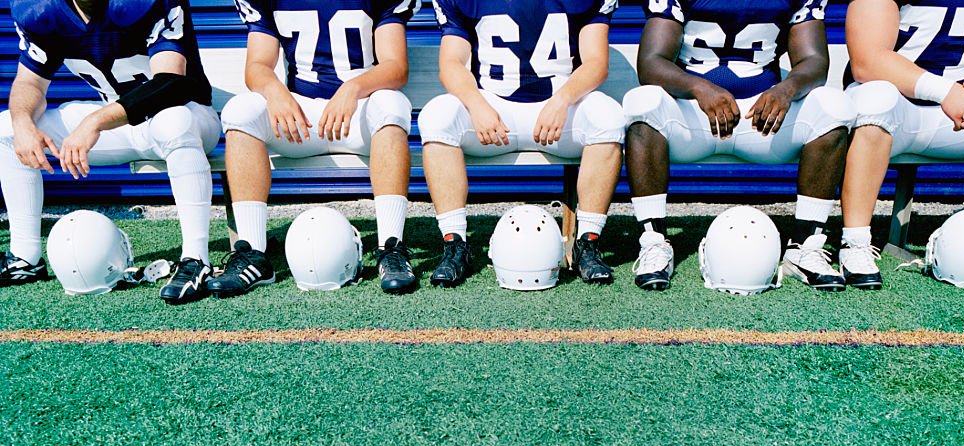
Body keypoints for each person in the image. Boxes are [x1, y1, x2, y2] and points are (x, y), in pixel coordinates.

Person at [623, 0, 854, 291]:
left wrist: (786, 89)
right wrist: (698, 87)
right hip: (695, 116)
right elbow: (651, 62)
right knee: (643, 102)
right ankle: (654, 243)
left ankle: (805, 246)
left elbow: (815, 61)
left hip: (762, 118)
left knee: (833, 106)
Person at [0, 0, 220, 304]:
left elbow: (170, 84)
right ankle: (25, 257)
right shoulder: (43, 11)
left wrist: (96, 121)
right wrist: (23, 121)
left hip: (187, 114)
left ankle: (196, 259)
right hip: (119, 122)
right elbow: (29, 82)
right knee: (7, 130)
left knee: (174, 122)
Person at [418, 0, 626, 287]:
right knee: (436, 118)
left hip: (558, 109)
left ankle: (587, 243)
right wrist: (476, 104)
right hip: (493, 109)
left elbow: (596, 62)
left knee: (609, 117)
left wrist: (563, 100)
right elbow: (451, 62)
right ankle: (455, 243)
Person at [218, 0, 419, 295]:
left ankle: (391, 247)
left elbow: (396, 67)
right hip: (300, 119)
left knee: (392, 104)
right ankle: (252, 253)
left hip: (358, 112)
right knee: (240, 111)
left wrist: (352, 88)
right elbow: (257, 66)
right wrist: (275, 92)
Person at [841, 0, 964, 287]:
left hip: (961, 115)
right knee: (874, 98)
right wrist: (944, 91)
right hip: (899, 112)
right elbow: (867, 60)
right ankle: (855, 243)